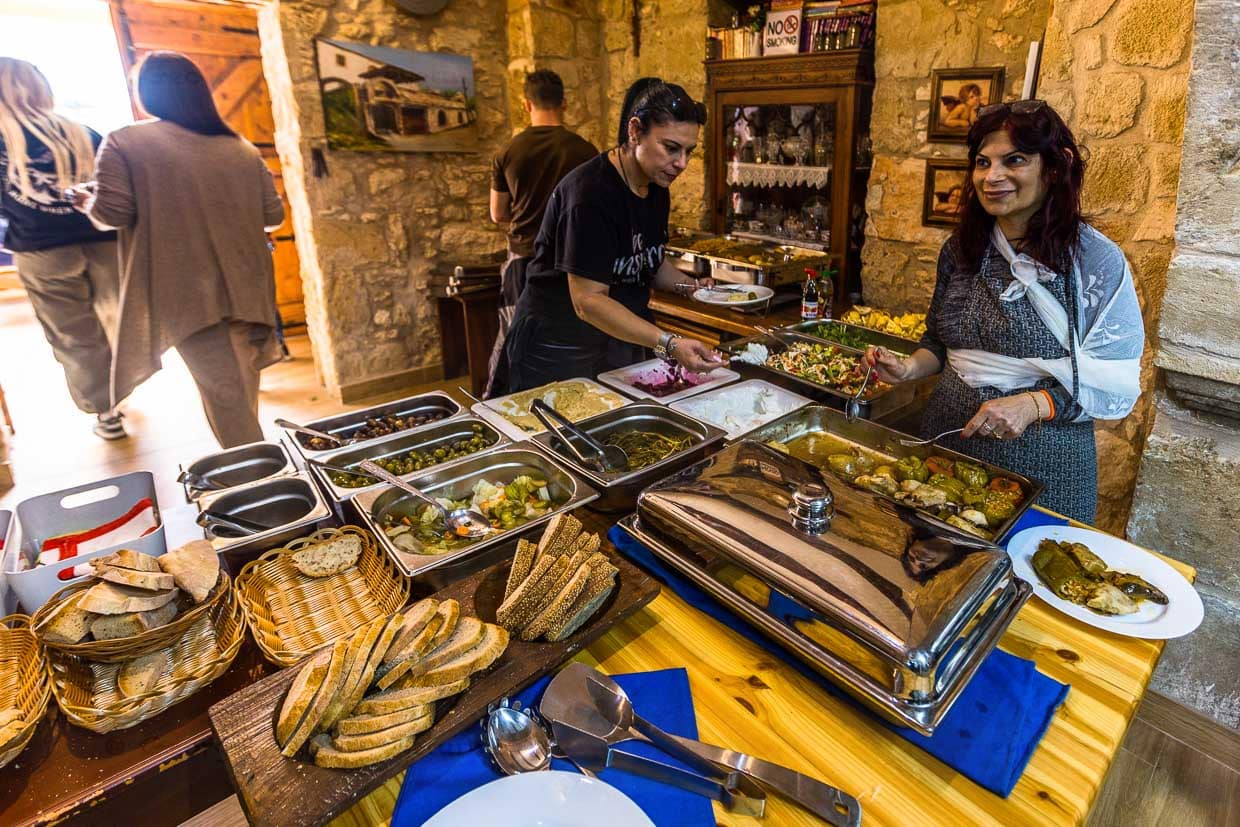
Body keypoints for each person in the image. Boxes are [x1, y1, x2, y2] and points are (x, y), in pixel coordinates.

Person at [865, 100, 1143, 523]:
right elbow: (938, 342)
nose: (992, 176)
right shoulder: (961, 249)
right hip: (950, 442)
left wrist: (1032, 405)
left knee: (1033, 559)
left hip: (1047, 462)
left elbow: (1113, 381)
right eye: (983, 162)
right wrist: (907, 369)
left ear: (1054, 168)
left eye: (1014, 160)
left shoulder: (1093, 260)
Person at [72, 52, 285, 449]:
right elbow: (273, 216)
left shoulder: (125, 141)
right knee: (240, 389)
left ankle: (259, 476)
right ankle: (255, 468)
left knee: (224, 394)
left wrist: (87, 202)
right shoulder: (240, 148)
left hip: (185, 287)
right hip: (247, 284)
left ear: (147, 92)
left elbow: (113, 213)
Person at [494, 79, 724, 394]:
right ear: (635, 130)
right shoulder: (589, 194)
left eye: (689, 152)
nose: (681, 163)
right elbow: (588, 301)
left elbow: (649, 261)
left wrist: (694, 289)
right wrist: (670, 343)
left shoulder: (656, 186)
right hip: (557, 346)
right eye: (671, 148)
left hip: (612, 340)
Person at [0, 58, 124, 440]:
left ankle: (107, 411)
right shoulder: (82, 132)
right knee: (117, 320)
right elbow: (114, 188)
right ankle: (124, 385)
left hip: (41, 249)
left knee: (72, 333)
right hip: (104, 241)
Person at [484, 69, 597, 397]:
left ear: (526, 104)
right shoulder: (585, 151)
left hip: (524, 257)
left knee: (514, 336)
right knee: (568, 339)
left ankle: (502, 404)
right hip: (571, 260)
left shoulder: (508, 151)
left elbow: (498, 213)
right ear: (565, 103)